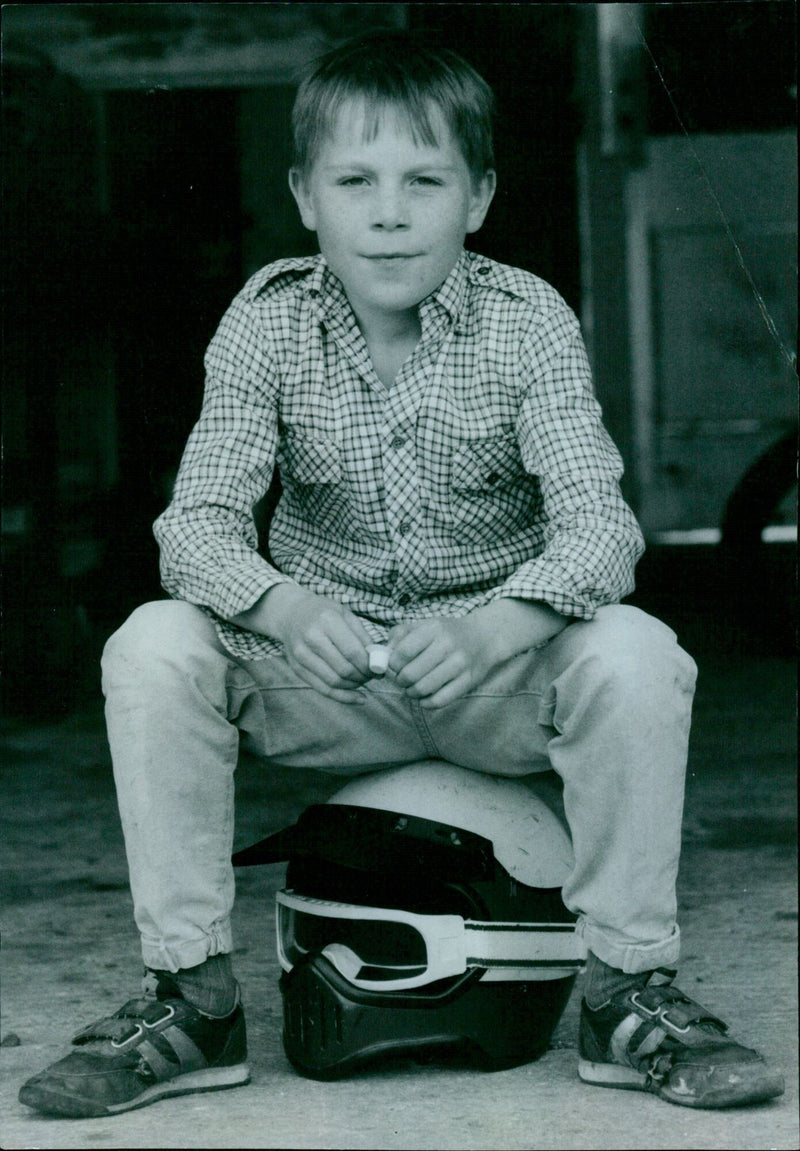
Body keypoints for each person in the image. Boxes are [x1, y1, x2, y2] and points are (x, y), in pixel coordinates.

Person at [19, 30, 783, 1118]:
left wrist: (500, 626)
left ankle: (627, 987)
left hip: (491, 681)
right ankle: (190, 995)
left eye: (423, 181)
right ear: (304, 197)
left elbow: (602, 530)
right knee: (152, 640)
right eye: (355, 181)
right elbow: (194, 527)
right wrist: (280, 606)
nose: (388, 212)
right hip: (325, 680)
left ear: (475, 199)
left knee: (634, 650)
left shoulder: (527, 323)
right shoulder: (266, 319)